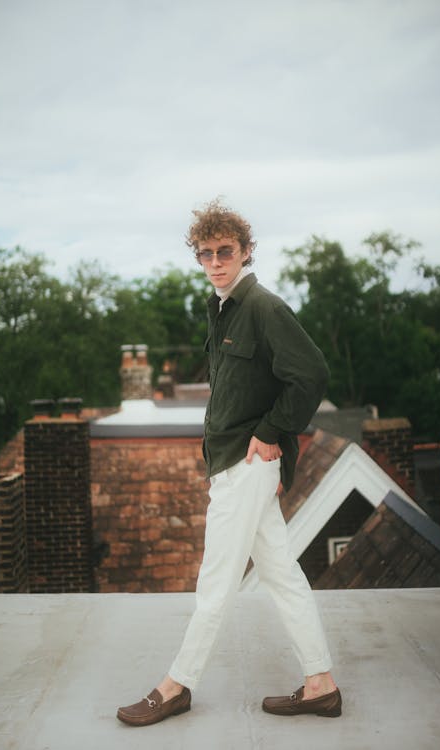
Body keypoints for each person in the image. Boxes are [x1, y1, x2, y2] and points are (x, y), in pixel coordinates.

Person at [117, 200, 341, 727]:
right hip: (231, 463)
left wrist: (271, 432)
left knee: (215, 582)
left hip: (248, 462)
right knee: (282, 575)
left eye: (226, 252)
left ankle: (175, 686)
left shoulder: (263, 307)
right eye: (206, 253)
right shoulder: (218, 309)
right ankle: (321, 685)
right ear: (197, 257)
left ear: (245, 252)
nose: (216, 261)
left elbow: (311, 374)